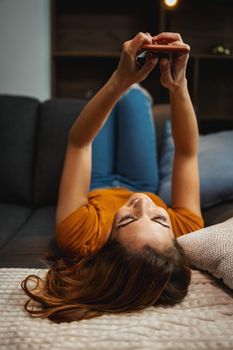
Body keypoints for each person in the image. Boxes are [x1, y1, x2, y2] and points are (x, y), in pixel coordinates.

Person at [21, 32, 204, 323]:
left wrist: (120, 79)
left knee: (123, 91)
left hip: (98, 181)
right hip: (142, 178)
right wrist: (178, 85)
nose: (141, 204)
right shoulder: (187, 230)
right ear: (174, 236)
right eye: (159, 219)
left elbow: (79, 143)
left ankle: (106, 92)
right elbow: (186, 153)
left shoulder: (81, 238)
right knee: (135, 98)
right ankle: (129, 94)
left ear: (107, 244)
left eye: (127, 220)